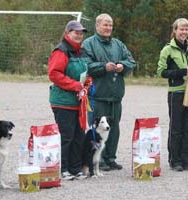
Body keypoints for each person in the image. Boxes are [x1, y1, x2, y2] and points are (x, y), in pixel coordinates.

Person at [83, 13, 136, 171]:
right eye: (105, 25)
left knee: (114, 129)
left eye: (110, 25)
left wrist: (122, 66)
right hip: (97, 95)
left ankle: (110, 158)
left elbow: (131, 60)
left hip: (115, 96)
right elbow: (85, 65)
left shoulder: (118, 44)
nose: (108, 28)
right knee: (96, 129)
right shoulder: (88, 44)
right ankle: (96, 161)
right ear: (97, 26)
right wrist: (103, 67)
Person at [157, 18, 188, 171]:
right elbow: (161, 72)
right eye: (181, 29)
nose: (184, 32)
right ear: (175, 30)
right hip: (176, 93)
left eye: (186, 29)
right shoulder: (167, 49)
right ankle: (175, 160)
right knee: (176, 127)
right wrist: (182, 72)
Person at [48, 20, 88, 180]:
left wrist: (87, 83)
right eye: (75, 32)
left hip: (79, 102)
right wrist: (75, 86)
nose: (79, 35)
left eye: (81, 32)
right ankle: (63, 169)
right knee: (66, 137)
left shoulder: (81, 51)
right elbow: (54, 74)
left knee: (79, 136)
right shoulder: (61, 51)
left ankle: (75, 168)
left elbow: (85, 72)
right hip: (63, 102)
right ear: (67, 33)